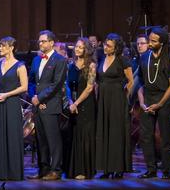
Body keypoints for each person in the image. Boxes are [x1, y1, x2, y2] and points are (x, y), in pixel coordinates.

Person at [136, 27, 170, 179]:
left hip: (163, 99)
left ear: (162, 43)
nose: (150, 43)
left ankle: (166, 170)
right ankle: (151, 169)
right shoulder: (144, 57)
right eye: (150, 40)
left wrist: (160, 103)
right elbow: (140, 83)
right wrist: (141, 101)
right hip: (147, 99)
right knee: (146, 136)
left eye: (154, 41)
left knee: (165, 136)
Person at [0, 37, 28, 182]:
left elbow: (24, 87)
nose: (0, 49)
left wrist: (6, 95)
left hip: (12, 104)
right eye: (0, 46)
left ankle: (13, 172)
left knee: (12, 135)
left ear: (11, 48)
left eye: (3, 46)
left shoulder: (20, 66)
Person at [93, 34, 134, 179]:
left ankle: (118, 168)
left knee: (116, 133)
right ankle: (106, 168)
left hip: (117, 99)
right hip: (103, 99)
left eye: (109, 45)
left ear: (116, 48)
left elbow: (130, 81)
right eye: (105, 44)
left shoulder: (122, 60)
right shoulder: (102, 59)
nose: (105, 47)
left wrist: (125, 97)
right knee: (105, 131)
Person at [29, 30, 67, 181]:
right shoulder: (36, 60)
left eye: (43, 41)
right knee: (41, 140)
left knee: (53, 139)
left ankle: (56, 170)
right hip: (37, 104)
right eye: (39, 41)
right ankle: (43, 169)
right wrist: (33, 97)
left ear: (51, 43)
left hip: (50, 104)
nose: (41, 44)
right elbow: (32, 81)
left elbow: (56, 84)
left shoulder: (59, 60)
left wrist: (41, 98)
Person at [67, 39, 98, 180]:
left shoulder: (91, 65)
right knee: (75, 135)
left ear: (86, 50)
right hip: (73, 104)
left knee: (85, 136)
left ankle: (84, 170)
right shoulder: (70, 65)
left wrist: (76, 103)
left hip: (86, 105)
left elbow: (90, 87)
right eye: (76, 47)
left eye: (81, 47)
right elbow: (66, 85)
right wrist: (70, 101)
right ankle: (74, 169)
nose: (77, 49)